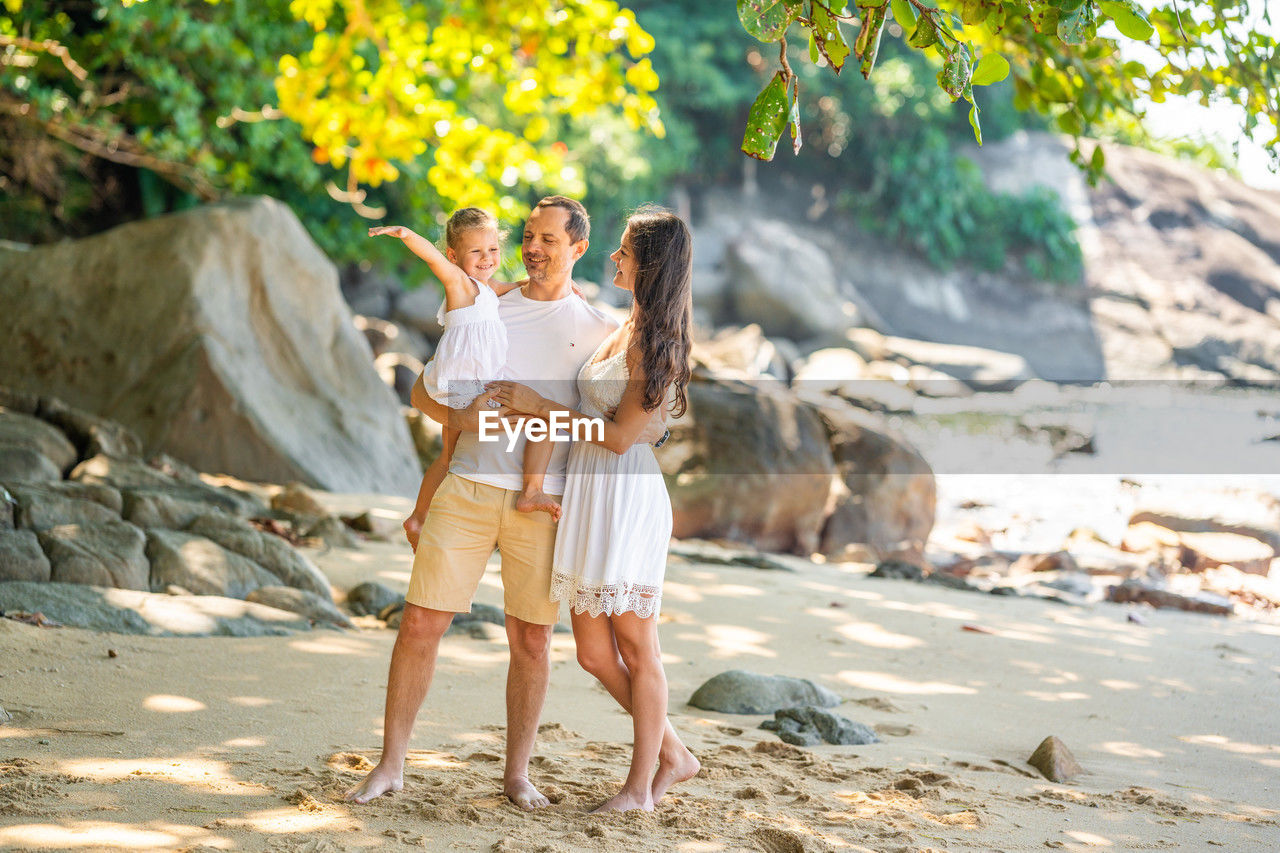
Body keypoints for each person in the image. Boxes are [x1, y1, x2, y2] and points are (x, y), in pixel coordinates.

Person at [345, 196, 667, 809]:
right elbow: (422, 389)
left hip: (543, 504)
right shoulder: (488, 302)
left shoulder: (601, 331)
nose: (535, 248)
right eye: (528, 236)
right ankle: (391, 764)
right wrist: (455, 414)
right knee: (418, 623)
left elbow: (626, 413)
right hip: (467, 486)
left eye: (550, 239)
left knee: (533, 642)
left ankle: (517, 775)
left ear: (577, 249)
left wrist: (655, 433)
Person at [488, 207, 699, 813]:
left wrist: (534, 405)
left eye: (626, 251)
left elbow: (617, 436)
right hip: (589, 492)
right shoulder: (623, 324)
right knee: (591, 652)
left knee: (637, 646)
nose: (614, 258)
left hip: (624, 493)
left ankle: (639, 788)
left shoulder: (658, 341)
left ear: (650, 263)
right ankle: (676, 755)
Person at [368, 208, 561, 557]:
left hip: (466, 384)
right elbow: (432, 259)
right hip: (465, 386)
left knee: (448, 454)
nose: (487, 259)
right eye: (476, 252)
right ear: (455, 257)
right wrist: (407, 235)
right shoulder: (459, 283)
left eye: (492, 249)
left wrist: (549, 285)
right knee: (539, 422)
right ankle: (530, 491)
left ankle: (418, 516)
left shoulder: (486, 288)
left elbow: (511, 286)